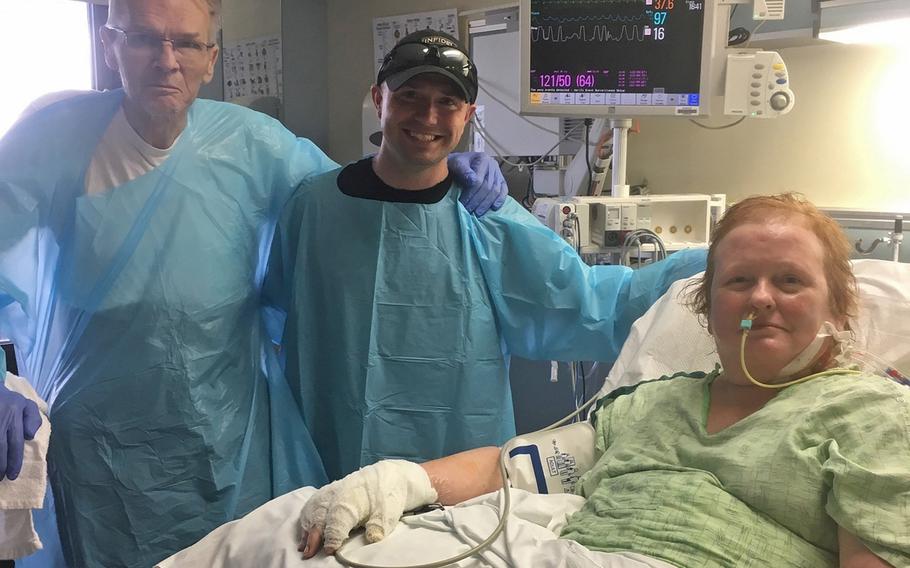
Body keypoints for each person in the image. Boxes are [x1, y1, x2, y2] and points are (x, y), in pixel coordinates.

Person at [0, 1, 507, 566]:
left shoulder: (251, 145)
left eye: (186, 43)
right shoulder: (50, 142)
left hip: (221, 437)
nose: (166, 60)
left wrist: (437, 168)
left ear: (210, 57)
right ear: (110, 45)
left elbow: (345, 196)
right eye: (144, 38)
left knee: (231, 554)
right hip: (100, 443)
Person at [299, 194, 910, 567]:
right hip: (565, 553)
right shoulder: (654, 404)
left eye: (790, 281)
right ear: (707, 305)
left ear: (839, 302)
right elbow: (510, 470)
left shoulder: (868, 418)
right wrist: (401, 479)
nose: (762, 298)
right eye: (739, 281)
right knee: (280, 535)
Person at [263, 29, 708, 484]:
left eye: (448, 103)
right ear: (379, 99)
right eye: (410, 96)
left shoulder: (488, 218)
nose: (428, 116)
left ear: (469, 115)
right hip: (327, 452)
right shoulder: (313, 207)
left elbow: (591, 304)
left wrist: (720, 262)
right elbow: (274, 316)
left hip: (455, 474)